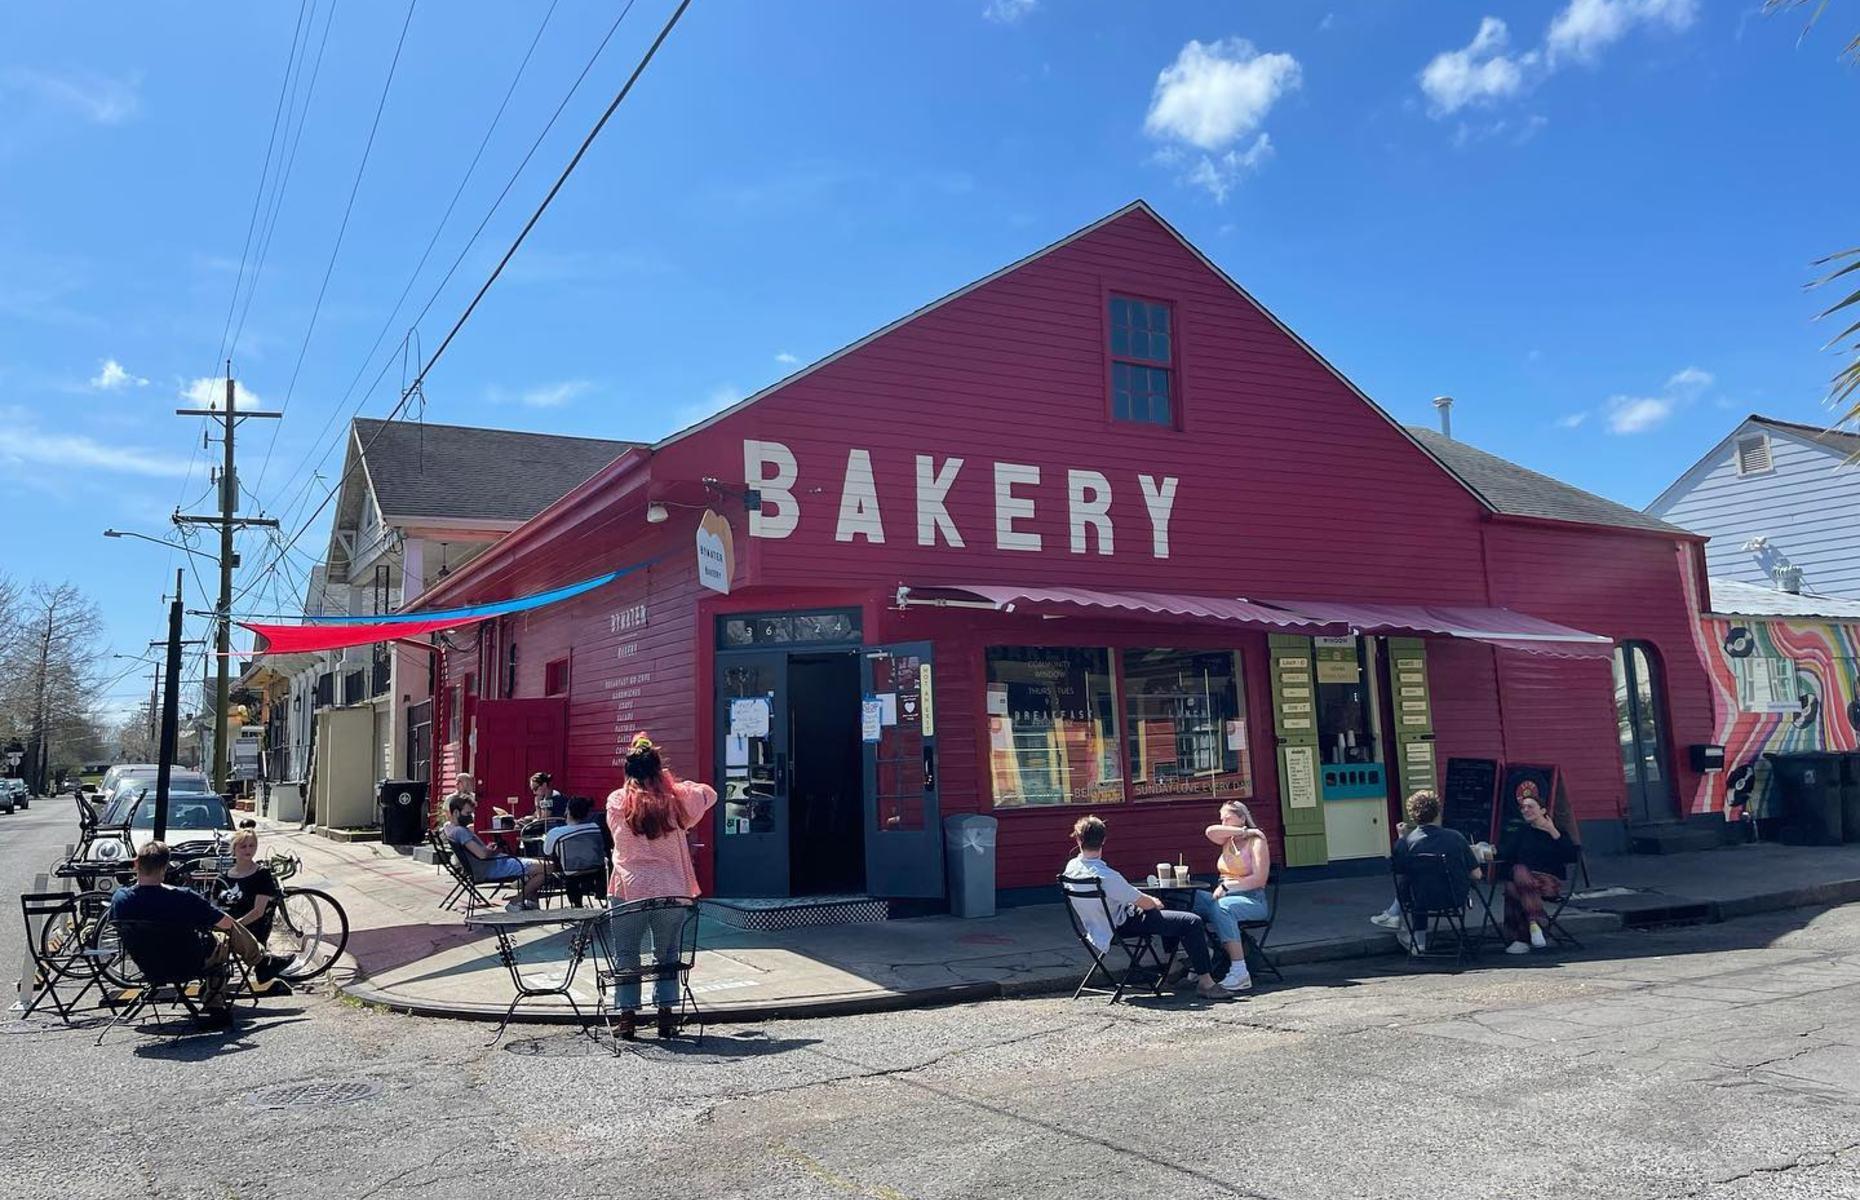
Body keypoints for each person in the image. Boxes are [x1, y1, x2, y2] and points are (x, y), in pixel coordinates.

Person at [606, 733, 717, 1041]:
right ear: (657, 769)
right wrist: (668, 782)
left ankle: (627, 1018)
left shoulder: (617, 801)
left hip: (629, 887)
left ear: (628, 771)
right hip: (671, 888)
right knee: (667, 953)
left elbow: (615, 833)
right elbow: (708, 793)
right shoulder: (676, 801)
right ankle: (665, 1016)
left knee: (626, 952)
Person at [109, 841, 291, 1022]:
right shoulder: (184, 898)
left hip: (148, 965)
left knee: (216, 935)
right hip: (189, 963)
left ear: (136, 864)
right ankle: (245, 975)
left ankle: (261, 962)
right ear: (165, 867)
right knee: (223, 936)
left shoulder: (120, 898)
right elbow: (226, 923)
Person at [1063, 815, 1235, 1001]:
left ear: (1078, 840)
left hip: (1095, 926)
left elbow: (1127, 896)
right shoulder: (1106, 876)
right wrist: (1154, 901)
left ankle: (1175, 964)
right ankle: (1206, 983)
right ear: (1103, 840)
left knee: (1170, 909)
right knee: (1191, 921)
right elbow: (1144, 903)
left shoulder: (1071, 868)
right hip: (1121, 925)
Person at [1189, 801, 1268, 993]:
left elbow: (1260, 880)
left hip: (1251, 898)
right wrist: (1242, 831)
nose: (1223, 823)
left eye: (1228, 818)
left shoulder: (1257, 842)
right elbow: (1210, 831)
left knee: (1223, 908)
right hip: (1222, 896)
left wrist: (1228, 886)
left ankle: (1240, 972)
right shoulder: (1228, 839)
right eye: (1222, 819)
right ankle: (1203, 956)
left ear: (1242, 818)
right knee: (1188, 899)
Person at [1389, 790, 1484, 950]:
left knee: (1415, 882)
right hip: (1453, 897)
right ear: (1437, 812)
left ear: (1412, 816)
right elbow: (1477, 874)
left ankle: (1419, 942)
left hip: (1420, 899)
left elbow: (1399, 869)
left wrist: (1401, 838)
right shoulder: (1455, 837)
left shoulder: (1408, 842)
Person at [1497, 785, 1579, 955]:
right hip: (1526, 883)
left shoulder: (1558, 832)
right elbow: (1505, 854)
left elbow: (1572, 856)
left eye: (1530, 806)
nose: (1526, 810)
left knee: (1515, 882)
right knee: (1514, 882)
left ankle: (1520, 938)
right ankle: (1535, 925)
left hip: (1548, 882)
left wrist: (1552, 831)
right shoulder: (1522, 832)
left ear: (1543, 810)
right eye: (1523, 808)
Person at [442, 791, 547, 911]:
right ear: (456, 812)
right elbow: (482, 855)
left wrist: (488, 849)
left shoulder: (452, 830)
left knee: (537, 868)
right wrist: (492, 850)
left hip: (492, 864)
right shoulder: (460, 831)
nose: (470, 817)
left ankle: (531, 901)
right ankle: (515, 902)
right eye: (467, 813)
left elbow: (479, 852)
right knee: (547, 867)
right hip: (494, 867)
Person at [214, 828, 284, 945]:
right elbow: (214, 906)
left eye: (252, 846)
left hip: (248, 932)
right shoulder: (222, 878)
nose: (248, 850)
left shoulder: (261, 875)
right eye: (243, 846)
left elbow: (258, 911)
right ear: (234, 848)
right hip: (223, 932)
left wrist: (233, 927)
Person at [543, 794, 611, 906]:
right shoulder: (596, 828)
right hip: (596, 871)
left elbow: (547, 852)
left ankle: (576, 905)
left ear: (568, 811)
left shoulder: (556, 833)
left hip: (571, 873)